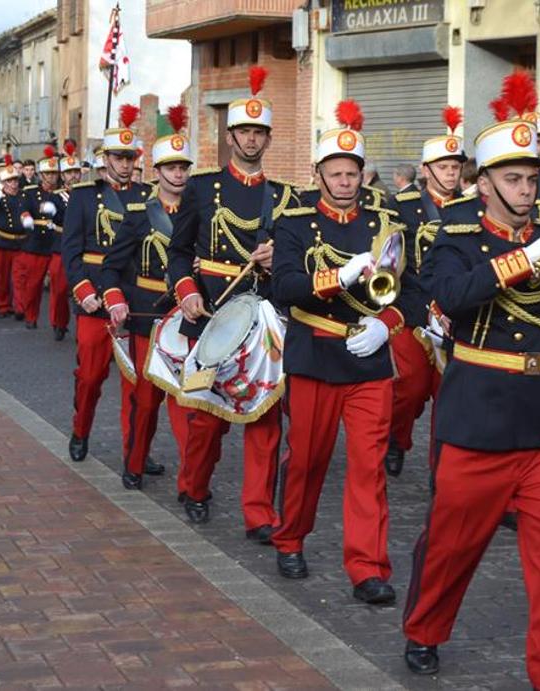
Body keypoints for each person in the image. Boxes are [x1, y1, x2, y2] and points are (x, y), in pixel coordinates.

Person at [403, 74, 540, 688]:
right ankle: (425, 629)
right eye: (513, 178)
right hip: (478, 417)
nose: (527, 189)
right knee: (453, 547)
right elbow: (452, 296)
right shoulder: (455, 235)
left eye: (532, 178)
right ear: (484, 184)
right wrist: (524, 259)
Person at [269, 99, 410, 603]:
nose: (346, 182)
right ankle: (290, 537)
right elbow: (284, 286)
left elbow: (407, 290)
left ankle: (367, 567)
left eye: (353, 173)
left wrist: (387, 323)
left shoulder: (385, 221)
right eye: (337, 173)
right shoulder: (293, 221)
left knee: (369, 466)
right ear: (319, 174)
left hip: (368, 357)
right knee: (307, 458)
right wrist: (339, 276)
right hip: (314, 354)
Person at [167, 66, 293, 534]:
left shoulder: (284, 196)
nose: (251, 140)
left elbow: (295, 266)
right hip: (211, 310)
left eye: (259, 132)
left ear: (268, 138)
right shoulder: (200, 187)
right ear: (231, 135)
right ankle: (193, 487)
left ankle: (259, 513)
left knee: (265, 419)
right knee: (204, 418)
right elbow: (178, 253)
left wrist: (279, 258)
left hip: (262, 318)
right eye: (244, 131)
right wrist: (186, 294)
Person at [100, 105, 194, 490]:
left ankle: (192, 482)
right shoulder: (140, 214)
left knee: (187, 404)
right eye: (171, 168)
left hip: (187, 316)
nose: (178, 174)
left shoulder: (201, 213)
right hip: (147, 315)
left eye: (183, 167)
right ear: (156, 172)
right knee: (146, 400)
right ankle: (135, 463)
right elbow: (110, 266)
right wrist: (115, 299)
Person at [61, 105, 154, 464]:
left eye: (130, 157)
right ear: (105, 159)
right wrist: (82, 290)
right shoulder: (85, 196)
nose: (126, 164)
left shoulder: (148, 196)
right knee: (90, 376)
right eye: (118, 157)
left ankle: (136, 451)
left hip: (133, 296)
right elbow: (71, 250)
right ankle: (80, 429)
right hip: (94, 296)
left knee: (137, 384)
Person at [383, 106, 467, 477]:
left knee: (448, 397)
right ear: (425, 170)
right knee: (410, 387)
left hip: (456, 312)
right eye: (444, 167)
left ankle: (441, 475)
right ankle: (395, 438)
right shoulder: (401, 206)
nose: (451, 173)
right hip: (411, 308)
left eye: (455, 167)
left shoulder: (472, 208)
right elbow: (388, 259)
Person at [18, 147, 63, 330]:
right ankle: (31, 315)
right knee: (33, 284)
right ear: (41, 175)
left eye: (54, 173)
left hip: (55, 241)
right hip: (36, 241)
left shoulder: (62, 194)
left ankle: (56, 322)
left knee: (57, 286)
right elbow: (23, 209)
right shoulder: (30, 192)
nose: (51, 177)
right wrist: (26, 218)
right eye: (48, 174)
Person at [0, 156, 32, 319]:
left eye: (15, 181)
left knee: (20, 278)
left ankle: (19, 307)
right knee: (3, 277)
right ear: (4, 183)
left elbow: (28, 209)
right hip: (2, 242)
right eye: (10, 181)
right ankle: (3, 305)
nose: (13, 184)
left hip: (20, 242)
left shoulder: (23, 196)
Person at [49, 141, 82, 340]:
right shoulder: (56, 197)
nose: (73, 176)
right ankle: (59, 323)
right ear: (62, 176)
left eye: (76, 172)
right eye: (69, 173)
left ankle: (82, 329)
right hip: (61, 247)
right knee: (59, 290)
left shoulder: (88, 194)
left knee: (82, 291)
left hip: (82, 249)